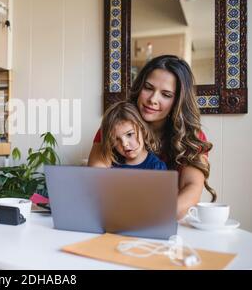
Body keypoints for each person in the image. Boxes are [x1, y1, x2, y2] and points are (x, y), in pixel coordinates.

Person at [88, 55, 214, 220]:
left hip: (166, 223)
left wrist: (150, 218)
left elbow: (192, 190)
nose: (153, 99)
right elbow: (95, 181)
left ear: (178, 101)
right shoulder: (115, 129)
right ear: (139, 88)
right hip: (115, 220)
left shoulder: (193, 137)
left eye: (166, 95)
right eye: (148, 88)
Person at [99, 101, 167, 170]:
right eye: (116, 139)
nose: (124, 144)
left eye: (129, 134)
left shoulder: (157, 167)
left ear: (143, 130)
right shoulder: (111, 165)